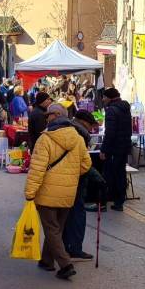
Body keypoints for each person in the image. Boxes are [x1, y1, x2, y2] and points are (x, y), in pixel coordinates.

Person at [25, 103, 91, 280]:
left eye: (48, 116)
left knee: (52, 230)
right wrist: (69, 175)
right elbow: (86, 164)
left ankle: (65, 264)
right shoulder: (77, 138)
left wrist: (30, 192)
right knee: (56, 229)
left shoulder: (45, 139)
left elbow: (37, 169)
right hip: (68, 193)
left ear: (55, 116)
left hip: (47, 193)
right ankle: (47, 261)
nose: (46, 119)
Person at [63, 109, 99, 261]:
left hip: (64, 180)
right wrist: (96, 177)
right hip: (76, 180)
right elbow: (82, 162)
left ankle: (64, 248)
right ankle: (74, 249)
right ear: (84, 123)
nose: (92, 129)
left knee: (66, 216)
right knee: (77, 214)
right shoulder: (80, 136)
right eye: (91, 126)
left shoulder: (66, 129)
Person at [100, 88, 132, 211]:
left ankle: (103, 203)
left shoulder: (111, 111)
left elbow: (110, 133)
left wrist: (104, 150)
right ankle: (119, 202)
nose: (103, 99)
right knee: (120, 174)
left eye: (104, 97)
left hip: (113, 149)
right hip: (123, 147)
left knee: (108, 176)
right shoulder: (125, 108)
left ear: (110, 98)